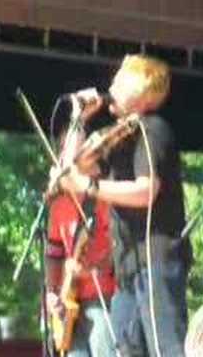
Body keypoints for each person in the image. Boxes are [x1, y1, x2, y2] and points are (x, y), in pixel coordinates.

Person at [59, 54, 193, 357]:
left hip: (156, 258)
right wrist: (79, 119)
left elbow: (146, 191)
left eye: (119, 80)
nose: (112, 86)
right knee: (127, 349)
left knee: (166, 348)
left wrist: (91, 188)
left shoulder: (152, 129)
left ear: (139, 89)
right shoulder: (119, 137)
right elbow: (70, 170)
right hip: (128, 267)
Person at [45, 95, 117, 357]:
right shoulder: (58, 202)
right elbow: (53, 253)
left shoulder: (108, 192)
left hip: (104, 294)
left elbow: (121, 243)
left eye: (73, 149)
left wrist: (98, 267)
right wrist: (52, 292)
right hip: (68, 300)